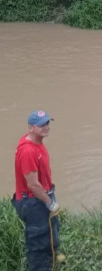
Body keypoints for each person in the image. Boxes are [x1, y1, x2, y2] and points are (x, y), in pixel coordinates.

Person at [12, 111, 61, 271]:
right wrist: (50, 203)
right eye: (41, 125)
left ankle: (54, 258)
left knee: (52, 231)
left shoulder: (37, 142)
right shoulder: (28, 151)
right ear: (31, 128)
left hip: (43, 195)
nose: (46, 127)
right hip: (33, 201)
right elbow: (32, 184)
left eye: (47, 123)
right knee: (39, 242)